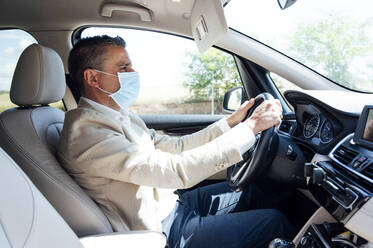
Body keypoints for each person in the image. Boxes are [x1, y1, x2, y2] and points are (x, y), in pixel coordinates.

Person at [58, 35, 294, 248]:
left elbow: (176, 147)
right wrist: (251, 128)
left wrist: (230, 123)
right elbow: (174, 170)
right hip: (162, 231)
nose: (133, 71)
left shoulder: (119, 115)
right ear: (93, 78)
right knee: (275, 223)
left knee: (251, 191)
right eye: (123, 67)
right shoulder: (86, 134)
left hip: (171, 205)